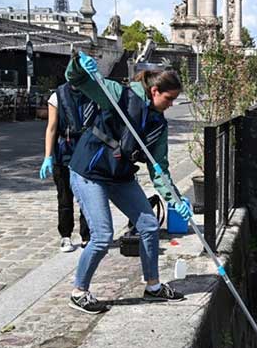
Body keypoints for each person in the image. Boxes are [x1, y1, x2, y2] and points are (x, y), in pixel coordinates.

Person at [65, 51, 192, 314]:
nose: (171, 104)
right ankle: (79, 291)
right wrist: (78, 64)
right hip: (90, 171)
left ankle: (153, 287)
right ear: (155, 91)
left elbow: (160, 170)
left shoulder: (159, 125)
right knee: (101, 236)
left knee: (148, 225)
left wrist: (176, 202)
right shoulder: (118, 95)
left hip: (120, 176)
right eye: (169, 99)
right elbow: (77, 80)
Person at [39, 82, 96, 252]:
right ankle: (65, 236)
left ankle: (87, 236)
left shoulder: (94, 93)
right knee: (64, 197)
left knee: (88, 197)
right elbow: (51, 128)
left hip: (87, 151)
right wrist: (47, 156)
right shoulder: (58, 96)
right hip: (64, 151)